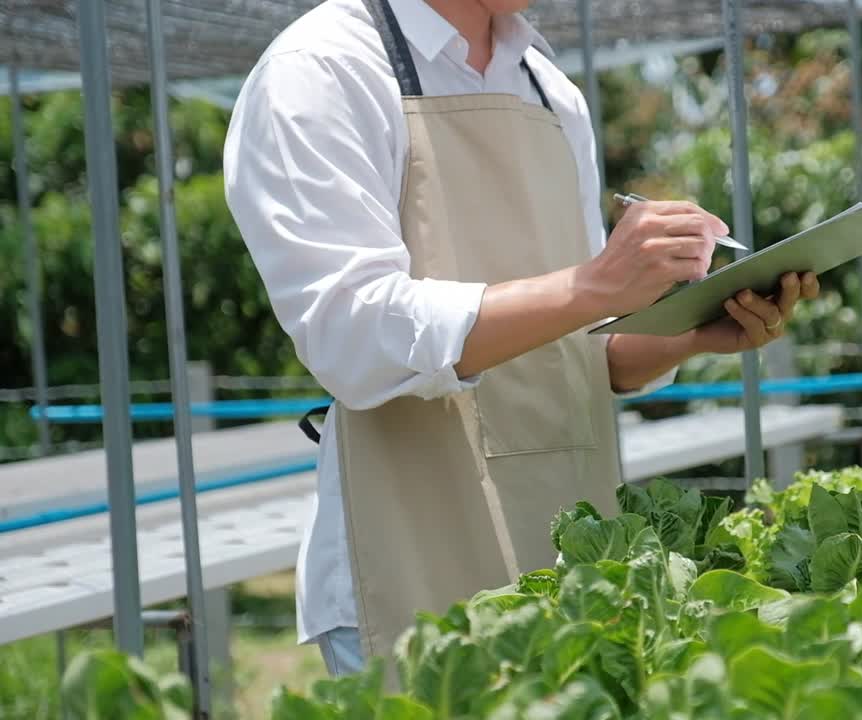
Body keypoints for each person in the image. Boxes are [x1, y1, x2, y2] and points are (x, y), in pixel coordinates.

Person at [223, 0, 819, 682]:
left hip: (565, 545)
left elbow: (581, 346)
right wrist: (598, 285)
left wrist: (690, 334)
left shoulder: (546, 86)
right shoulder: (324, 69)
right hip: (411, 544)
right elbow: (352, 335)